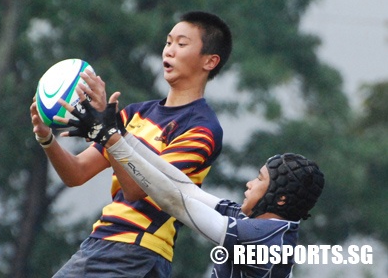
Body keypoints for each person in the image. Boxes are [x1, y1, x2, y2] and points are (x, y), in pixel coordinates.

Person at [30, 11, 232, 277]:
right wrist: (46, 138)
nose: (169, 50)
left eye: (181, 44)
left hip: (138, 251)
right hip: (100, 242)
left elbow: (139, 188)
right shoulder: (136, 113)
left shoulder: (202, 129)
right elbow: (76, 173)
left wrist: (108, 133)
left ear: (210, 61)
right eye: (168, 42)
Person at [55, 95, 325, 278]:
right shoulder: (255, 223)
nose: (249, 183)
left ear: (279, 199)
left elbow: (176, 203)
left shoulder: (265, 238)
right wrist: (118, 135)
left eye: (259, 180)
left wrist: (112, 142)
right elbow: (186, 188)